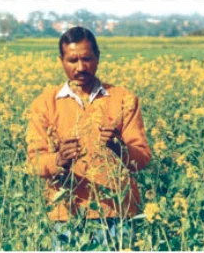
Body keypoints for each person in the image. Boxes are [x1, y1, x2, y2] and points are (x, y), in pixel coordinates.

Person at [24, 27, 152, 250]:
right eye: (73, 60)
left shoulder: (124, 100)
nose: (81, 67)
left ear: (98, 58)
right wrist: (58, 160)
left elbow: (142, 158)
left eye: (87, 59)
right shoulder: (44, 104)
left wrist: (119, 148)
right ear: (61, 60)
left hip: (117, 213)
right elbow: (34, 163)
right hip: (67, 214)